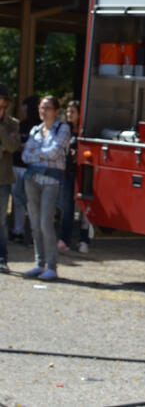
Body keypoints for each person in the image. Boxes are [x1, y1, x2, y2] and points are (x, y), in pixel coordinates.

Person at [21, 95, 70, 281]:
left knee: (45, 222)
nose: (43, 111)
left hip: (51, 181)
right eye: (42, 107)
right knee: (34, 223)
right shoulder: (35, 129)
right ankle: (39, 263)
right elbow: (25, 156)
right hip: (32, 179)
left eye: (48, 108)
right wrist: (41, 156)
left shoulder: (62, 128)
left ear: (56, 111)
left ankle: (52, 265)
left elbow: (55, 151)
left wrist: (36, 154)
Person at [58, 100, 90, 254]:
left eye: (73, 112)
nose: (69, 115)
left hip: (83, 173)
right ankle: (65, 238)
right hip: (68, 172)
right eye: (68, 112)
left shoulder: (85, 132)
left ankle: (84, 239)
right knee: (67, 207)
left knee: (84, 207)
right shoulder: (64, 130)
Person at [10, 95, 39, 243]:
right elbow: (15, 145)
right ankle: (18, 230)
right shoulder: (20, 124)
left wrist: (23, 147)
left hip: (31, 169)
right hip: (16, 166)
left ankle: (35, 234)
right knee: (17, 200)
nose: (23, 109)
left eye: (25, 107)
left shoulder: (39, 127)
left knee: (32, 202)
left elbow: (33, 148)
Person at [0, 84, 21, 274]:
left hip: (3, 178)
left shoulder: (12, 123)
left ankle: (2, 257)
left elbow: (12, 146)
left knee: (1, 221)